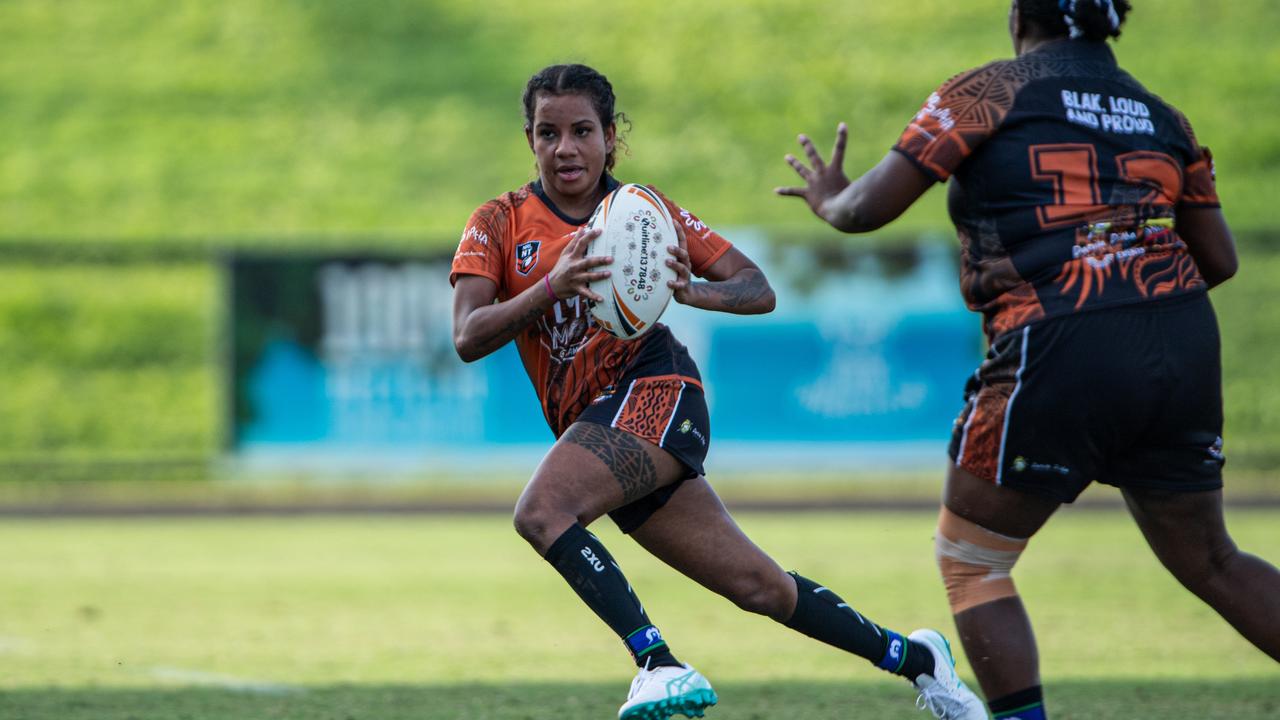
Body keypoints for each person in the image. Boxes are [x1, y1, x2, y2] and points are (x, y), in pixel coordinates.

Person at [777, 1, 1280, 718]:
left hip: (1060, 333)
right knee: (1213, 561)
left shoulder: (988, 91)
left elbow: (866, 210)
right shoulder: (1163, 115)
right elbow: (1220, 260)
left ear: (1020, 15)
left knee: (973, 563)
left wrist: (830, 200)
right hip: (1182, 341)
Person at [452, 63, 988, 720]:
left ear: (611, 138)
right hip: (596, 421)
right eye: (547, 132)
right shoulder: (498, 223)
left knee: (542, 512)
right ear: (530, 138)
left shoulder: (645, 214)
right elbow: (468, 335)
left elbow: (757, 287)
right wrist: (550, 287)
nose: (565, 147)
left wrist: (691, 292)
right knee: (759, 587)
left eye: (582, 131)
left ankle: (657, 664)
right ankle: (918, 661)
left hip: (657, 388)